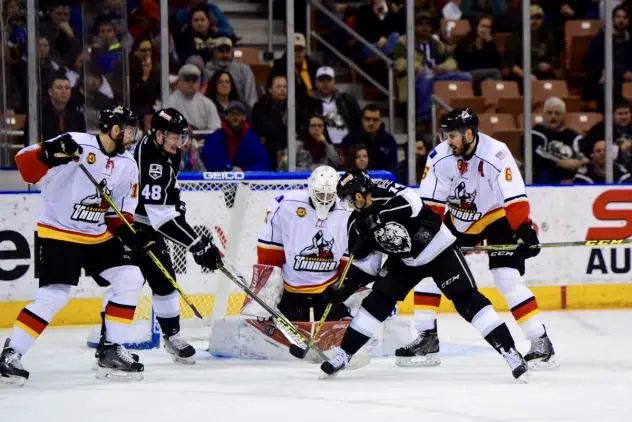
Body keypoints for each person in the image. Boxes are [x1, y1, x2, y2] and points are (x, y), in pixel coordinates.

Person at [318, 170, 529, 383]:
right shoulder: (356, 225)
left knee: (467, 300)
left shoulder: (384, 190)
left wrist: (379, 217)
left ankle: (510, 351)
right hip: (405, 261)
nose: (349, 204)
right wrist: (345, 287)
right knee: (377, 301)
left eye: (349, 197)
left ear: (360, 193)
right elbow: (367, 267)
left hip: (438, 249)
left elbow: (413, 202)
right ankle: (344, 354)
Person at [2, 106, 145, 384]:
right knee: (54, 296)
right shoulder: (75, 143)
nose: (132, 137)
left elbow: (118, 216)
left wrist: (131, 234)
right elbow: (25, 167)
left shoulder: (128, 164)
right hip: (60, 233)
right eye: (128, 130)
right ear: (114, 130)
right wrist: (49, 153)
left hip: (96, 236)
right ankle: (10, 354)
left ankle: (111, 349)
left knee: (130, 275)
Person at [414, 108, 557, 370]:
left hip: (495, 217)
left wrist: (524, 229)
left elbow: (512, 197)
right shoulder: (440, 157)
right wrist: (426, 237)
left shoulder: (497, 154)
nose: (449, 141)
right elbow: (432, 207)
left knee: (507, 278)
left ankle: (540, 342)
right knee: (428, 268)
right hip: (458, 219)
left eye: (454, 135)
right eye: (446, 135)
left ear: (469, 134)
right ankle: (426, 337)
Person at [133, 108, 224, 363]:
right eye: (175, 137)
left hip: (149, 224)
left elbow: (168, 195)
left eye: (182, 137)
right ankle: (110, 342)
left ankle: (172, 337)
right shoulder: (148, 158)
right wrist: (197, 244)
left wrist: (178, 207)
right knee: (127, 284)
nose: (180, 143)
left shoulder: (171, 152)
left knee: (165, 281)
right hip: (128, 227)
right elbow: (160, 218)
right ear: (160, 135)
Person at [257, 166, 353, 321]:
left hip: (328, 292)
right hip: (291, 292)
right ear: (310, 188)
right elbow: (269, 256)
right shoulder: (286, 204)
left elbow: (350, 263)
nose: (324, 199)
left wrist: (345, 291)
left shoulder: (348, 212)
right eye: (321, 194)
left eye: (329, 195)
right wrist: (265, 299)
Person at [201, 101, 269, 172]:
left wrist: (244, 170)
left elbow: (263, 162)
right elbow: (210, 160)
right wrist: (230, 169)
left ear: (244, 117)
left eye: (238, 114)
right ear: (226, 117)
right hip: (221, 180)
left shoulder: (252, 138)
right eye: (232, 114)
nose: (235, 117)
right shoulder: (215, 138)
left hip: (247, 180)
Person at [532, 97, 587, 184]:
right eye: (549, 113)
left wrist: (580, 163)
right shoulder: (534, 133)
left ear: (564, 116)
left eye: (557, 113)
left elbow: (583, 158)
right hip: (546, 178)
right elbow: (536, 157)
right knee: (543, 173)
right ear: (543, 114)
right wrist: (560, 162)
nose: (553, 116)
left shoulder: (574, 137)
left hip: (571, 179)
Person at [506, 5, 558, 88]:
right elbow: (511, 63)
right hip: (521, 72)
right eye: (532, 18)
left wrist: (549, 65)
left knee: (552, 80)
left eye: (538, 18)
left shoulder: (547, 35)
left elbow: (553, 56)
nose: (535, 21)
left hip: (540, 71)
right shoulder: (517, 35)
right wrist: (526, 76)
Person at [205, 36, 258, 109]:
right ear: (213, 51)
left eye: (228, 51)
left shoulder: (244, 70)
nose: (225, 55)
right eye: (221, 51)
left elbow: (251, 98)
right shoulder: (205, 72)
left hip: (239, 114)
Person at [164, 64, 221, 132]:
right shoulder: (168, 102)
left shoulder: (207, 103)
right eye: (187, 79)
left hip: (204, 140)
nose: (191, 83)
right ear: (179, 81)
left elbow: (216, 129)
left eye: (194, 80)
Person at [314, 66, 362, 146]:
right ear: (316, 82)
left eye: (329, 80)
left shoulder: (347, 100)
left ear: (334, 82)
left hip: (348, 145)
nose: (325, 84)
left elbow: (358, 123)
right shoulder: (310, 103)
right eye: (322, 80)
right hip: (324, 146)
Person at [341, 104, 398, 172]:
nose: (371, 123)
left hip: (382, 179)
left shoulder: (389, 140)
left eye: (375, 120)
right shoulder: (350, 138)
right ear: (362, 120)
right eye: (367, 119)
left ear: (380, 121)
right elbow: (345, 163)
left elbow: (392, 167)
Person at [455, 16, 502, 95]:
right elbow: (462, 64)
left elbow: (497, 65)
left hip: (485, 76)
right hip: (468, 73)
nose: (484, 30)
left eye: (488, 27)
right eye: (482, 26)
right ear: (477, 27)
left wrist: (490, 44)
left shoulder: (491, 44)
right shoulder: (465, 42)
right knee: (496, 73)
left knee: (490, 81)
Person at [252, 74, 289, 169]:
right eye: (279, 86)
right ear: (270, 89)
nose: (283, 89)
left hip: (288, 150)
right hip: (267, 151)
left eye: (285, 86)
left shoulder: (292, 106)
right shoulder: (260, 106)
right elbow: (265, 130)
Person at [40, 72, 86, 140]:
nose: (64, 91)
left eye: (67, 88)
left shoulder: (77, 116)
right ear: (50, 92)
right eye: (59, 88)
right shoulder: (40, 116)